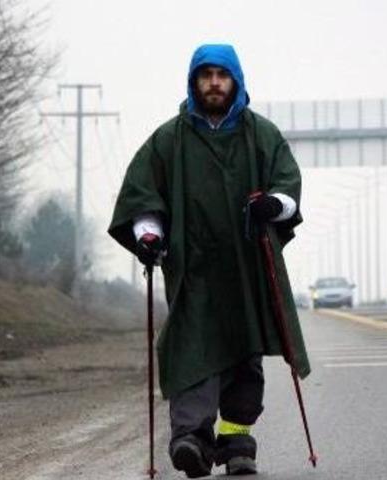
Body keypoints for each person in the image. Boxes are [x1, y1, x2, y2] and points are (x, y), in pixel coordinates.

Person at [108, 44, 310, 478]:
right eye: (206, 75)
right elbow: (144, 196)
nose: (214, 83)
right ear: (193, 82)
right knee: (191, 351)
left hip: (246, 269)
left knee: (244, 355)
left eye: (222, 75)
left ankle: (237, 442)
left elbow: (288, 188)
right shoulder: (168, 140)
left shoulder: (262, 136)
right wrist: (148, 235)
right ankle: (192, 440)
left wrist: (273, 205)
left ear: (236, 80)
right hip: (192, 270)